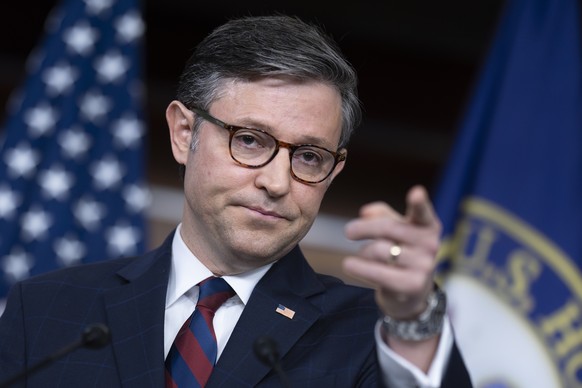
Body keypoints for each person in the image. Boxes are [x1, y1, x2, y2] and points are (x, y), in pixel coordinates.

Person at [0, 15, 472, 387]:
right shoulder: (44, 311)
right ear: (185, 133)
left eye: (309, 156)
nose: (277, 181)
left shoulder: (372, 334)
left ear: (335, 169)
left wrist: (413, 322)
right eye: (250, 140)